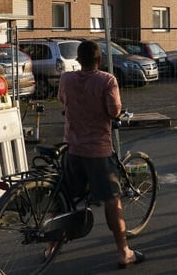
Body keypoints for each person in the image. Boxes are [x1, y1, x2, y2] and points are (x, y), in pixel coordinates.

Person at [57, 40, 144, 268]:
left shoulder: (66, 79)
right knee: (112, 201)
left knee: (66, 199)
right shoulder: (107, 80)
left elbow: (62, 101)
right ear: (99, 60)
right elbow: (114, 111)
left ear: (78, 59)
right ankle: (124, 251)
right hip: (98, 150)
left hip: (72, 149)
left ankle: (51, 246)